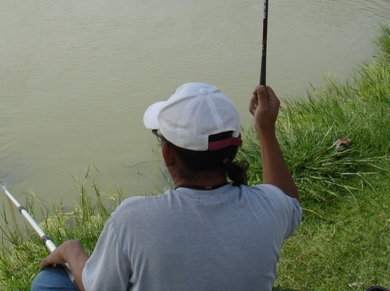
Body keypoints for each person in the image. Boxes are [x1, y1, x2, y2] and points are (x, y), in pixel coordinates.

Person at [31, 82, 302, 291]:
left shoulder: (133, 219)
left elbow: (96, 287)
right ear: (230, 152)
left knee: (48, 282)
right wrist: (266, 129)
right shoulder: (269, 208)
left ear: (168, 155)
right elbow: (288, 201)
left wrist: (70, 250)